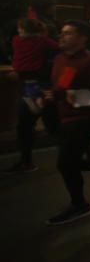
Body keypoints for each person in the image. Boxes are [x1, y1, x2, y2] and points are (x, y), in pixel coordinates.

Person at [45, 20, 90, 225]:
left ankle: (79, 204)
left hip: (82, 119)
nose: (62, 36)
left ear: (82, 38)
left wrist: (66, 96)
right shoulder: (60, 59)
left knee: (65, 163)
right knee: (69, 162)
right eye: (62, 32)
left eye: (68, 33)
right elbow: (59, 86)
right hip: (63, 117)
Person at [5, 18, 59, 174]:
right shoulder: (47, 45)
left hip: (39, 90)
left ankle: (84, 148)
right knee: (25, 126)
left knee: (51, 127)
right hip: (34, 89)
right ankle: (26, 161)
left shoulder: (18, 42)